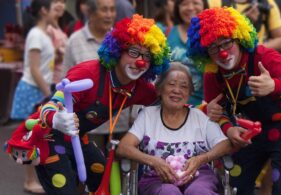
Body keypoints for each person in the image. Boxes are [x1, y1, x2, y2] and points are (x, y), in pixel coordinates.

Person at [5, 14, 170, 194]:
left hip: (78, 138)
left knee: (102, 177)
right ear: (118, 50)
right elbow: (51, 104)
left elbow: (167, 102)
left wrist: (196, 110)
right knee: (65, 188)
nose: (140, 62)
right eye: (133, 52)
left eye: (147, 56)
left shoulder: (140, 88)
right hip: (49, 137)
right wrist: (56, 118)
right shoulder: (88, 73)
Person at [187, 7, 281, 194]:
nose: (222, 52)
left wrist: (275, 86)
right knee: (236, 186)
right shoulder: (212, 73)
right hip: (249, 134)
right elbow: (217, 111)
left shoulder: (264, 56)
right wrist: (228, 128)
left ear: (239, 38)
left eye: (227, 43)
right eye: (213, 47)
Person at [116, 62, 232, 194]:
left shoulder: (199, 116)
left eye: (184, 86)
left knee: (199, 191)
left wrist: (201, 159)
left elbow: (225, 145)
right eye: (171, 84)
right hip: (157, 177)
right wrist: (154, 161)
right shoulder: (147, 115)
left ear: (189, 93)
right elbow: (123, 147)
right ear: (159, 89)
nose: (177, 90)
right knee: (168, 192)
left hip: (198, 175)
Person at [10, 0, 55, 194]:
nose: (58, 9)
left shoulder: (44, 33)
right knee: (29, 137)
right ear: (44, 11)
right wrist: (48, 94)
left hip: (38, 90)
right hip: (32, 91)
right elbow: (35, 68)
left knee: (37, 136)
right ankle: (29, 181)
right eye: (54, 5)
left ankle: (36, 178)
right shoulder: (36, 35)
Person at [167, 0, 209, 105]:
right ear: (178, 7)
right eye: (184, 3)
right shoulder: (166, 33)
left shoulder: (212, 36)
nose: (190, 8)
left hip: (201, 109)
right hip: (167, 106)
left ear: (204, 6)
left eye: (195, 3)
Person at [208, 0, 281, 53]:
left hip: (259, 62)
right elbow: (210, 37)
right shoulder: (215, 3)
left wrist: (252, 50)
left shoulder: (267, 3)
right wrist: (243, 23)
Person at [62, 0, 116, 76]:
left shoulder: (118, 40)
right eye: (104, 10)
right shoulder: (74, 41)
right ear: (90, 13)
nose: (109, 15)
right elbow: (65, 79)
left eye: (112, 10)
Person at [47, 0, 68, 89]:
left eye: (63, 2)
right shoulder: (49, 29)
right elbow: (46, 60)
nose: (60, 5)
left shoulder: (59, 27)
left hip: (62, 80)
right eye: (55, 1)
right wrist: (58, 51)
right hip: (54, 82)